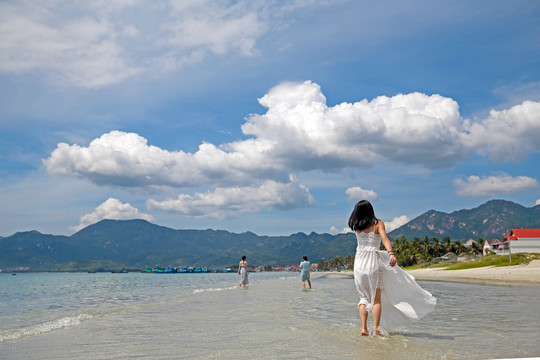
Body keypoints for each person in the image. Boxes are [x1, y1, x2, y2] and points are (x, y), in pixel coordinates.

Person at [349, 200, 436, 337]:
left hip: (359, 262)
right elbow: (385, 239)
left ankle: (364, 328)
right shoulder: (377, 224)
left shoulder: (356, 227)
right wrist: (391, 254)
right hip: (373, 262)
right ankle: (376, 330)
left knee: (363, 298)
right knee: (376, 299)